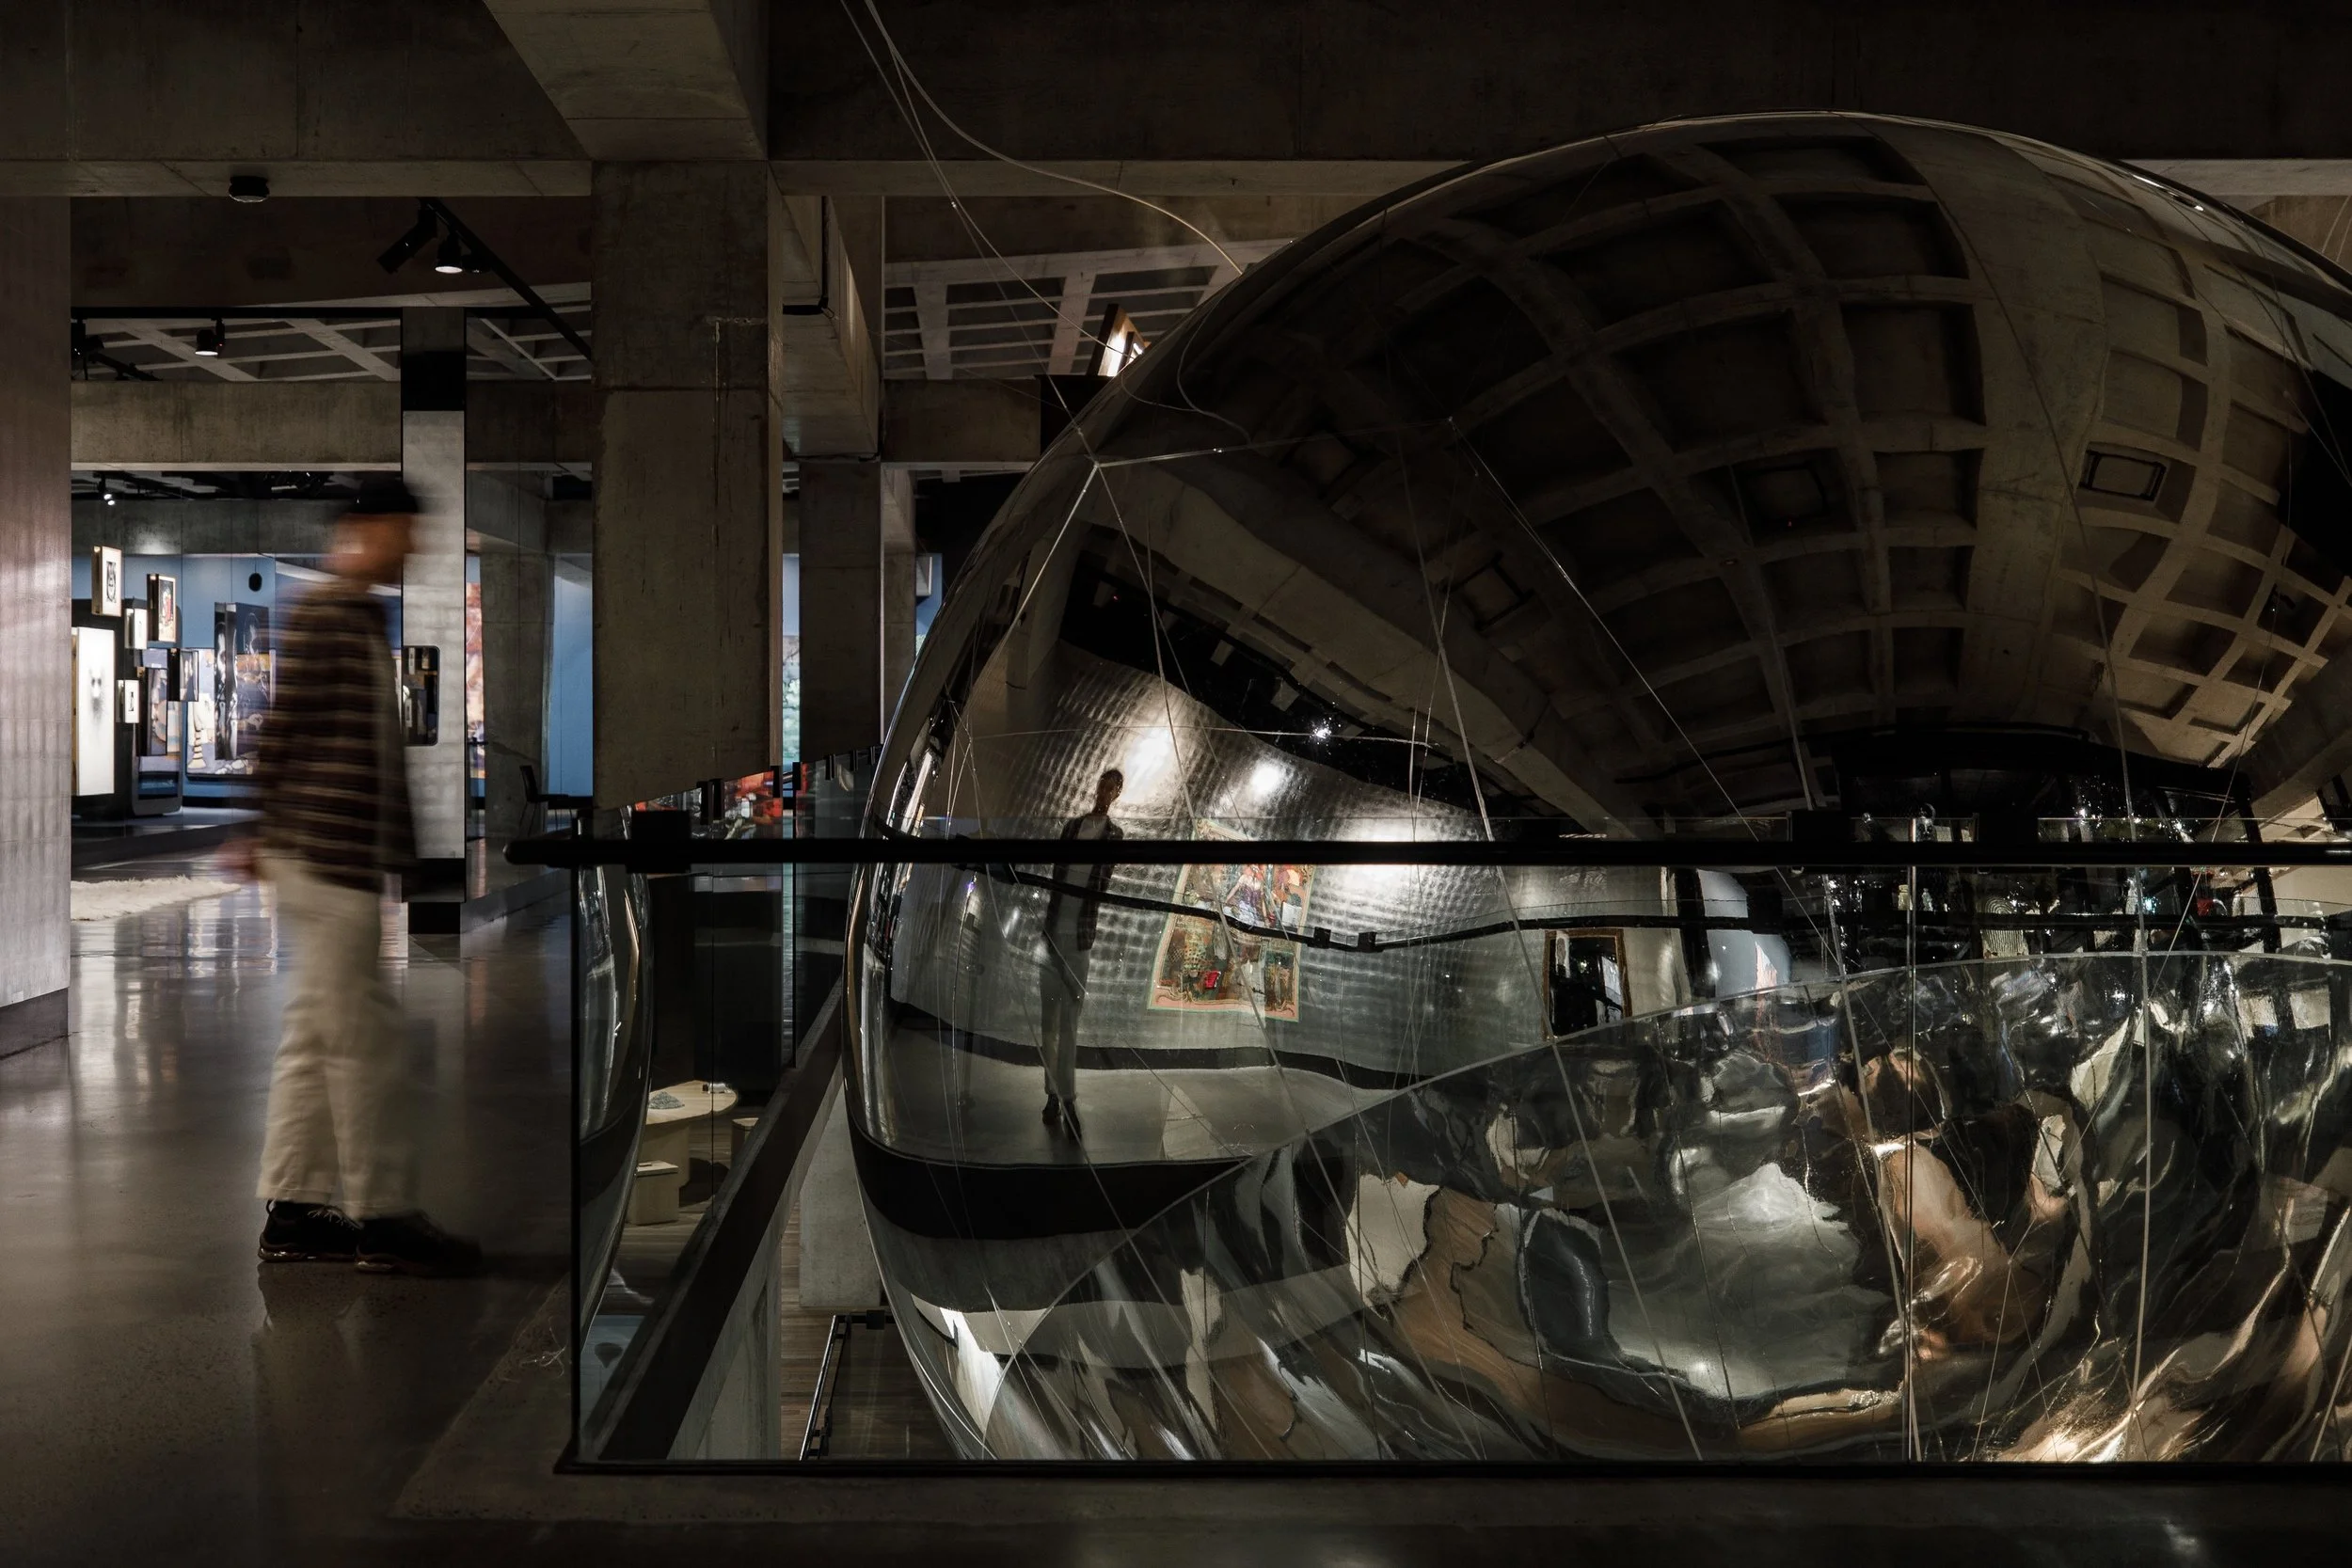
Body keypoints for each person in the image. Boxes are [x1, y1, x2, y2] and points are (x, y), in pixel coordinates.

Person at [232, 478, 482, 1277]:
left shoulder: (360, 614)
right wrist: (255, 828)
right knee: (367, 1043)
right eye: (405, 530)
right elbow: (284, 730)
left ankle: (295, 1209)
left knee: (314, 1034)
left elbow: (370, 753)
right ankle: (385, 1216)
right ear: (367, 529)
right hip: (323, 856)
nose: (414, 547)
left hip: (337, 856)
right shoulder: (327, 615)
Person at [1038, 768, 1123, 1139]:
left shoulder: (1114, 836)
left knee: (1069, 1022)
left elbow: (1101, 884)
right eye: (1105, 783)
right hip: (1055, 934)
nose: (1107, 791)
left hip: (1079, 940)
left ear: (1118, 794)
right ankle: (1052, 1095)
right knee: (1049, 1022)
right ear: (1098, 785)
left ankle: (1067, 1097)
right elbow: (1057, 877)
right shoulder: (1072, 827)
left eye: (1114, 788)